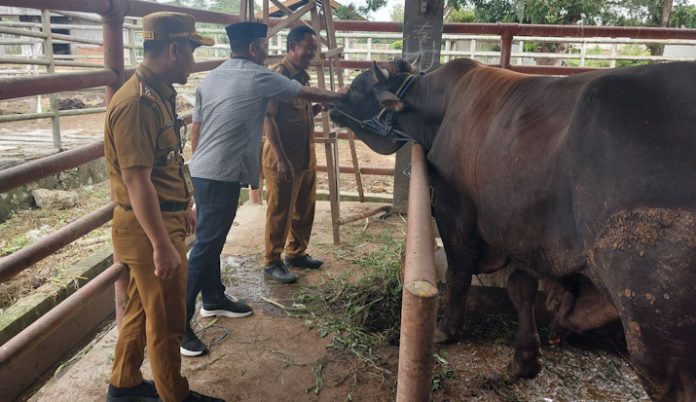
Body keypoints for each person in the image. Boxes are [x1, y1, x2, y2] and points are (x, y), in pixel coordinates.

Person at [182, 21, 346, 356]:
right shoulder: (258, 74)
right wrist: (347, 95)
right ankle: (178, 326)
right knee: (202, 248)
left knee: (211, 241)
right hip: (219, 174)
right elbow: (307, 94)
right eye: (265, 46)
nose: (267, 52)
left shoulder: (212, 76)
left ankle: (213, 299)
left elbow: (196, 131)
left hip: (206, 172)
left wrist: (196, 171)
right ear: (255, 48)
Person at [104, 12, 224, 402]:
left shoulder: (156, 93)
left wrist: (182, 202)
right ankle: (175, 395)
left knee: (142, 309)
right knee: (168, 318)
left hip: (160, 218)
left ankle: (123, 384)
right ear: (174, 49)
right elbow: (136, 179)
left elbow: (163, 163)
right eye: (191, 50)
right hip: (147, 228)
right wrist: (161, 244)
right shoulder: (137, 104)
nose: (193, 60)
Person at [262, 25, 325, 285]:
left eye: (314, 49)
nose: (311, 53)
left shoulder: (303, 77)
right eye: (307, 49)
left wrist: (317, 109)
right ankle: (271, 262)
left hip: (304, 156)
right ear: (291, 48)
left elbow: (298, 113)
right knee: (281, 211)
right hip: (283, 159)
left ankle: (296, 252)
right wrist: (281, 158)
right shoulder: (278, 76)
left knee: (304, 208)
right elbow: (268, 118)